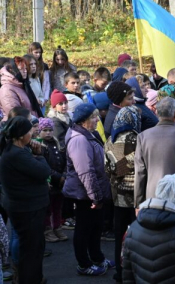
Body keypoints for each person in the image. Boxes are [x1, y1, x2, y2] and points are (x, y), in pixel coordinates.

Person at [63, 103, 114, 276]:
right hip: (84, 194)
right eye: (93, 117)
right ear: (83, 121)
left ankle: (97, 258)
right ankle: (83, 264)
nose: (97, 119)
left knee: (95, 227)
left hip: (91, 192)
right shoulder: (79, 139)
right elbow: (86, 172)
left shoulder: (88, 134)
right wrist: (96, 197)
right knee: (84, 229)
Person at [0, 116, 50, 284]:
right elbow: (43, 172)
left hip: (27, 207)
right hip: (27, 209)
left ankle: (34, 277)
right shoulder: (16, 154)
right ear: (21, 135)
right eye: (30, 131)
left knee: (33, 248)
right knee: (30, 250)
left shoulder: (16, 151)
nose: (33, 133)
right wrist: (39, 155)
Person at [104, 106, 141, 282]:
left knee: (119, 235)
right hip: (133, 194)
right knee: (136, 235)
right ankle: (133, 271)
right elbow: (120, 167)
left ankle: (120, 270)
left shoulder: (111, 137)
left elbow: (109, 168)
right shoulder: (133, 137)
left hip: (117, 194)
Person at [39, 118, 69, 243]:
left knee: (57, 207)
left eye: (50, 130)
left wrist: (65, 174)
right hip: (50, 182)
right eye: (45, 130)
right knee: (48, 209)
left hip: (60, 183)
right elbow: (44, 167)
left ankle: (57, 227)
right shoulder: (40, 146)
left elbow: (65, 161)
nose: (48, 133)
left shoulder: (57, 144)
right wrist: (58, 177)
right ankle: (47, 230)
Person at [28, 42, 51, 109]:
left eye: (40, 52)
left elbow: (46, 84)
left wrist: (45, 98)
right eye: (36, 52)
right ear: (30, 51)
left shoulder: (44, 66)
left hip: (41, 99)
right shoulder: (25, 66)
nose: (38, 54)